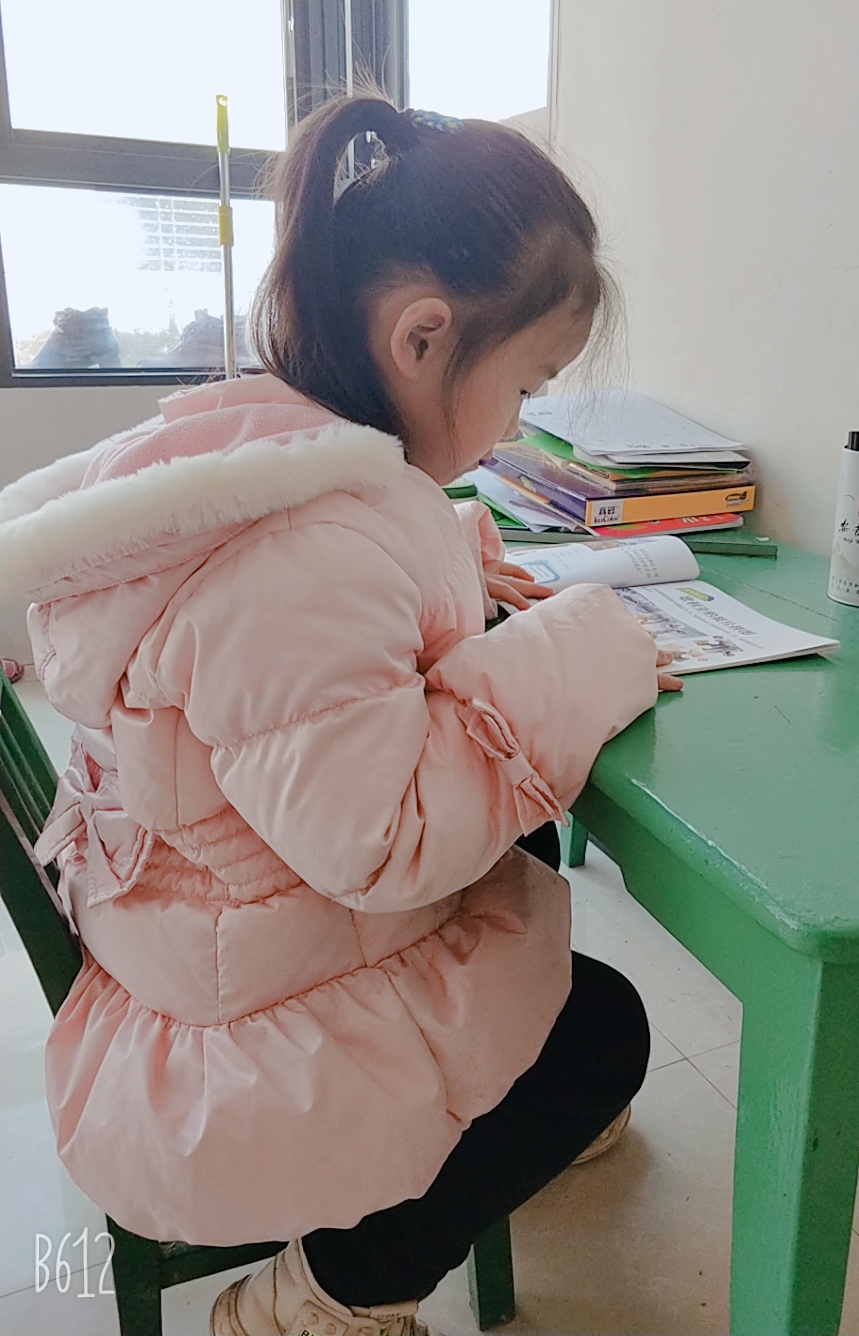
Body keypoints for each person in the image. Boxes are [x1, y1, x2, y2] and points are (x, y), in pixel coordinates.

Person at [0, 95, 681, 1336]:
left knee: (528, 870)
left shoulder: (260, 450)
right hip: (241, 1037)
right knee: (606, 1032)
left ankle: (488, 1133)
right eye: (523, 386)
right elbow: (383, 840)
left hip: (210, 932)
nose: (516, 427)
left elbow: (315, 626)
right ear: (423, 338)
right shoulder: (316, 549)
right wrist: (588, 646)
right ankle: (324, 1297)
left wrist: (456, 574)